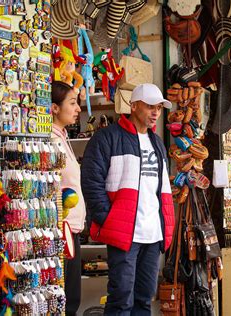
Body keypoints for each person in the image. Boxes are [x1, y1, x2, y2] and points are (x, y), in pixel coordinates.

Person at [81, 83, 175, 315]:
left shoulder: (158, 143)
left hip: (153, 233)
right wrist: (109, 218)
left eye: (159, 108)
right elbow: (91, 182)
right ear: (133, 106)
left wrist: (165, 225)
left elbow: (161, 189)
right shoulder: (107, 138)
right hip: (125, 233)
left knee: (144, 298)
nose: (155, 113)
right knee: (121, 298)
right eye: (150, 106)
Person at [51, 81, 86, 316]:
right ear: (54, 108)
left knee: (71, 296)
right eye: (72, 103)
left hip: (71, 226)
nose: (78, 109)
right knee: (68, 298)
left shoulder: (62, 138)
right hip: (62, 227)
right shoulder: (51, 142)